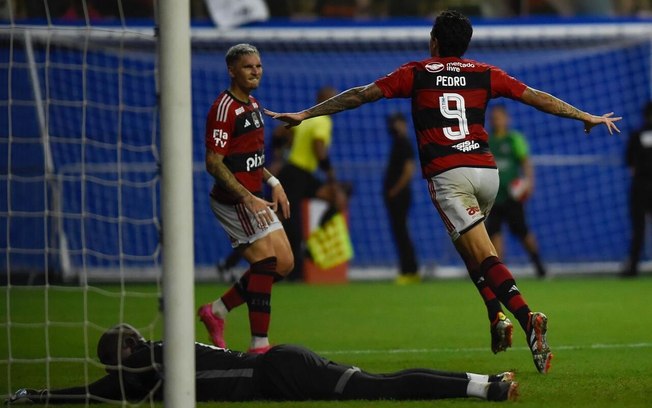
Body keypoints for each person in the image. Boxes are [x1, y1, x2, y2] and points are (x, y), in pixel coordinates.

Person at [264, 10, 621, 373]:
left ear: (434, 41)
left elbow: (361, 95)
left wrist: (306, 113)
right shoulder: (485, 73)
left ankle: (528, 318)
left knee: (480, 253)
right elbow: (535, 96)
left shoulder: (415, 73)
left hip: (449, 175)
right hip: (486, 172)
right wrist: (584, 116)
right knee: (473, 248)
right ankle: (495, 315)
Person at [5, 324, 519, 404]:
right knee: (376, 384)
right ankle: (485, 383)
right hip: (279, 365)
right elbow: (101, 390)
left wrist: (41, 397)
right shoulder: (157, 357)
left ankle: (486, 387)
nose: (133, 348)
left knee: (377, 387)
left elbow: (97, 393)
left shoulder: (148, 365)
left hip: (278, 372)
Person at [197, 43, 294, 354]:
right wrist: (246, 197)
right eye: (248, 66)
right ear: (231, 71)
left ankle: (217, 311)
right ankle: (259, 345)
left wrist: (274, 182)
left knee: (285, 264)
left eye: (259, 66)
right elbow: (214, 162)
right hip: (233, 200)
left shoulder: (253, 105)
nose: (255, 71)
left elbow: (251, 159)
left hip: (254, 196)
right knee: (266, 261)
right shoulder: (223, 108)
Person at [277, 86, 348, 280]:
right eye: (333, 100)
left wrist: (279, 155)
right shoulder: (323, 120)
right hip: (295, 174)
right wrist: (330, 175)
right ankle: (294, 272)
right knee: (290, 223)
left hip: (299, 173)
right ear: (322, 101)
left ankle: (308, 249)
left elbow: (283, 135)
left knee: (337, 198)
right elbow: (319, 147)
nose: (337, 104)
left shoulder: (306, 117)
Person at [485, 105, 547, 278]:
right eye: (493, 118)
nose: (495, 121)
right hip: (494, 197)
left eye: (499, 117)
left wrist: (529, 183)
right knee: (494, 235)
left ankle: (539, 266)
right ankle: (499, 274)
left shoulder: (514, 139)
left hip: (513, 196)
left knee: (523, 232)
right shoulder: (486, 140)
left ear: (507, 119)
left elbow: (525, 162)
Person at [384, 112, 420, 284]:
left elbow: (408, 170)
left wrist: (395, 190)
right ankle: (407, 269)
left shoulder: (404, 143)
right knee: (399, 232)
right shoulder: (398, 142)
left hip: (400, 196)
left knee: (402, 233)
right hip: (395, 195)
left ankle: (410, 271)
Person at [623, 101, 652, 277]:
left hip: (641, 185)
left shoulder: (637, 135)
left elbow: (629, 162)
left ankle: (633, 268)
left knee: (638, 228)